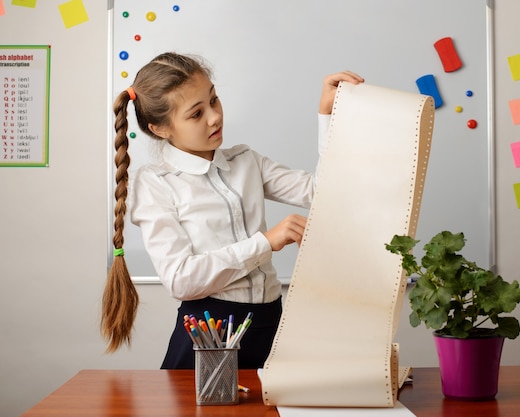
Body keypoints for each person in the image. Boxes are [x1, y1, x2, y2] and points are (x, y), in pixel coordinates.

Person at [101, 51, 364, 369]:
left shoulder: (246, 161)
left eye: (214, 100)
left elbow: (328, 193)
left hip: (269, 323)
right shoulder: (157, 183)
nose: (214, 117)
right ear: (160, 129)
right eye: (196, 114)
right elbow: (181, 280)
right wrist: (265, 243)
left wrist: (327, 115)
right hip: (208, 331)